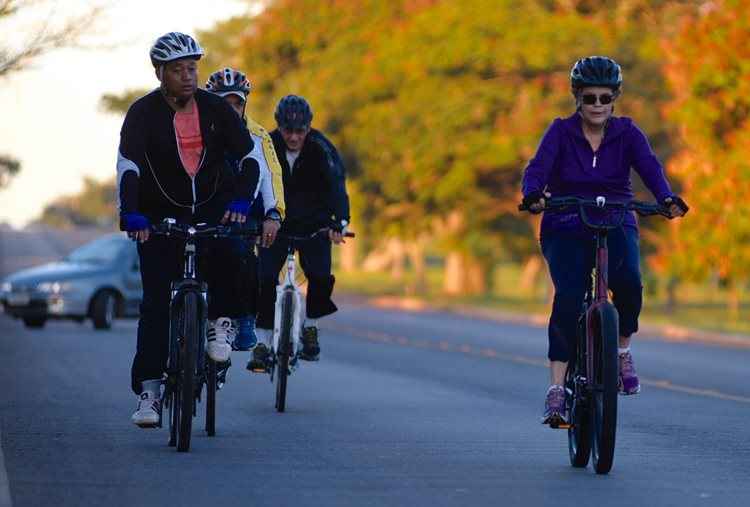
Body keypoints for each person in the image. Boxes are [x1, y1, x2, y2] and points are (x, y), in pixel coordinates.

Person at [520, 56, 688, 426]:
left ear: (615, 99)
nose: (597, 105)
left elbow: (650, 169)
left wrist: (666, 199)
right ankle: (557, 390)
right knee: (568, 296)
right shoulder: (560, 132)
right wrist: (533, 193)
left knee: (629, 282)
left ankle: (622, 350)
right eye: (590, 98)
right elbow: (537, 168)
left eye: (605, 98)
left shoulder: (628, 133)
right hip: (566, 219)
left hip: (615, 216)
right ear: (577, 97)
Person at [118, 32, 262, 427]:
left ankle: (221, 324)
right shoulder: (142, 113)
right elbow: (128, 165)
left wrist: (242, 201)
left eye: (192, 68)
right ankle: (150, 392)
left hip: (216, 209)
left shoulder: (216, 108)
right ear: (160, 73)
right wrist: (131, 213)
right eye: (178, 70)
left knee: (233, 253)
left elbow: (249, 156)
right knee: (154, 306)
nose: (187, 76)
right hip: (159, 217)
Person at [249, 95, 350, 371]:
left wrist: (339, 223)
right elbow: (254, 183)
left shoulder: (322, 148)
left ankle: (310, 326)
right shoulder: (266, 145)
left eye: (300, 131)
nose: (293, 137)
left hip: (314, 225)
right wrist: (252, 222)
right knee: (265, 278)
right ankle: (261, 343)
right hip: (275, 224)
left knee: (320, 275)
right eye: (287, 130)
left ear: (309, 128)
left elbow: (337, 187)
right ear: (278, 127)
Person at [205, 67, 285, 351]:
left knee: (245, 256)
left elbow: (270, 177)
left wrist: (273, 214)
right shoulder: (197, 129)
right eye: (224, 103)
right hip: (205, 211)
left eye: (237, 103)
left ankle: (246, 319)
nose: (232, 110)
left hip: (244, 210)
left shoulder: (259, 135)